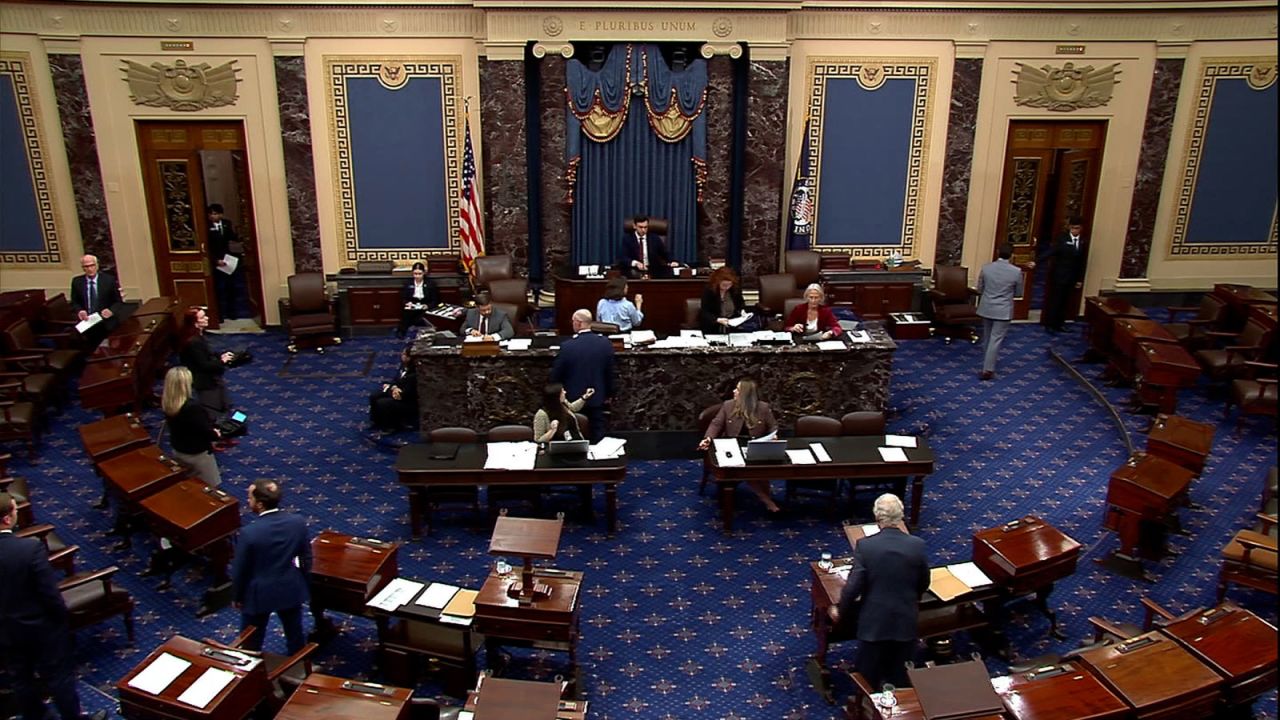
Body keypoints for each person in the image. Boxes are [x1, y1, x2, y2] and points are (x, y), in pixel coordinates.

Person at [0, 493, 106, 720]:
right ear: (7, 519)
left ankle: (36, 716)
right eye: (15, 510)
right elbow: (50, 594)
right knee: (59, 677)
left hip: (4, 630)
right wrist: (61, 620)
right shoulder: (29, 549)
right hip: (40, 627)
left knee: (20, 677)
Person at [829, 493, 928, 690]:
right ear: (901, 516)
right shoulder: (917, 545)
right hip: (905, 620)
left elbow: (853, 587)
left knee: (867, 677)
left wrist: (841, 611)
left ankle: (866, 707)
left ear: (877, 517)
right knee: (902, 678)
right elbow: (924, 582)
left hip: (874, 623)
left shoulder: (866, 546)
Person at [232, 479, 312, 655]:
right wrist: (304, 582)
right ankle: (299, 668)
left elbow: (240, 570)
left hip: (259, 593)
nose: (248, 501)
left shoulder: (249, 533)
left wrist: (237, 596)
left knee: (251, 640)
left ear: (259, 504)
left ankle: (251, 672)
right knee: (295, 634)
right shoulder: (297, 522)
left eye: (250, 498)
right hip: (290, 586)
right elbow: (305, 558)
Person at [697, 378, 780, 512]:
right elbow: (716, 424)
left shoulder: (763, 408)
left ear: (745, 394)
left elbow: (773, 426)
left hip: (754, 445)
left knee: (760, 469)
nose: (734, 391)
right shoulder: (728, 405)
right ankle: (768, 502)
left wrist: (774, 435)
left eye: (738, 389)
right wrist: (708, 438)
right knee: (745, 470)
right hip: (732, 446)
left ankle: (767, 499)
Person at [551, 309, 616, 443]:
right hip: (597, 397)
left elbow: (556, 375)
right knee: (598, 435)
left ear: (579, 323)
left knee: (574, 434)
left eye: (573, 321)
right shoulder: (605, 344)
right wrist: (609, 394)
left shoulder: (568, 346)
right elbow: (610, 373)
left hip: (573, 399)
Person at [162, 366, 222, 486]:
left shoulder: (168, 402)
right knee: (210, 488)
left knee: (190, 484)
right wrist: (216, 434)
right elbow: (206, 431)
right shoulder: (192, 408)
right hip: (197, 454)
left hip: (179, 450)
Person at [976, 243, 1025, 381]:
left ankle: (986, 364)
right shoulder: (1016, 271)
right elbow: (1018, 293)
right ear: (1012, 255)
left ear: (997, 252)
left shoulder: (986, 268)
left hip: (987, 307)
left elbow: (980, 289)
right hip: (1003, 310)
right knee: (995, 339)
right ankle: (988, 369)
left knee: (987, 337)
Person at [179, 307, 235, 422]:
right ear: (195, 323)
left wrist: (220, 356)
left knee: (224, 405)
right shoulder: (193, 342)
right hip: (205, 382)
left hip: (212, 379)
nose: (207, 318)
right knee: (212, 411)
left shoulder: (199, 337)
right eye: (203, 317)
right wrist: (222, 361)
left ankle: (224, 433)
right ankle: (216, 435)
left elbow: (207, 354)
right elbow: (204, 365)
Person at [1041, 217, 1088, 333]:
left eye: (1077, 228)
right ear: (1069, 227)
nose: (1074, 231)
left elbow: (1082, 262)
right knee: (1055, 301)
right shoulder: (1062, 238)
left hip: (1072, 277)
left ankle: (1060, 324)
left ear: (1081, 228)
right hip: (1060, 276)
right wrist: (1037, 261)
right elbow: (1051, 252)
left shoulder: (1083, 241)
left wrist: (1079, 279)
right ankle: (1050, 324)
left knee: (1065, 302)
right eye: (1072, 228)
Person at [69, 253, 124, 347]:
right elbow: (75, 302)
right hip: (87, 321)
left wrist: (111, 310)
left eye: (92, 265)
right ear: (83, 268)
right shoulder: (77, 282)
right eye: (86, 266)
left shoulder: (108, 280)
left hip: (105, 320)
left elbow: (118, 302)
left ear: (97, 265)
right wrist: (80, 311)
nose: (90, 269)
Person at [208, 204, 245, 320]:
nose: (214, 216)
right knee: (218, 289)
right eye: (212, 214)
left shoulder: (226, 223)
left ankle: (231, 312)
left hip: (227, 259)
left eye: (217, 213)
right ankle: (219, 315)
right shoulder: (205, 226)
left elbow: (231, 237)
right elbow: (207, 246)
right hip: (215, 260)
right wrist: (215, 260)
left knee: (231, 287)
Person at [369, 348, 418, 433]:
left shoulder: (413, 375)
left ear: (409, 358)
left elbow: (403, 395)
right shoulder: (403, 366)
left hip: (407, 401)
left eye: (404, 354)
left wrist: (390, 389)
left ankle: (390, 427)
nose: (401, 355)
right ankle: (377, 421)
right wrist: (393, 387)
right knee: (374, 396)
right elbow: (395, 380)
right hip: (396, 391)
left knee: (383, 403)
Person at [617, 215, 677, 279]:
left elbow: (664, 253)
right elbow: (623, 257)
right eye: (640, 227)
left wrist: (672, 261)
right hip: (634, 271)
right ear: (634, 226)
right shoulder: (627, 239)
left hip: (653, 271)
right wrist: (636, 263)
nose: (643, 230)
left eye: (645, 227)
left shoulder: (654, 238)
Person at [699, 266, 749, 335]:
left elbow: (740, 304)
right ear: (717, 282)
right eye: (724, 285)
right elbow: (705, 312)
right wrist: (717, 320)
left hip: (733, 327)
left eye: (729, 285)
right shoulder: (709, 291)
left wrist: (742, 312)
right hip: (713, 328)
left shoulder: (734, 290)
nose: (727, 287)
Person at [398, 261, 440, 337]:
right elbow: (403, 298)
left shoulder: (430, 284)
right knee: (406, 314)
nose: (417, 276)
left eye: (419, 274)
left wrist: (427, 306)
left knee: (422, 317)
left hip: (425, 305)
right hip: (413, 304)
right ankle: (402, 332)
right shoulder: (408, 283)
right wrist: (407, 303)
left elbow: (435, 300)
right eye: (415, 274)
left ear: (424, 273)